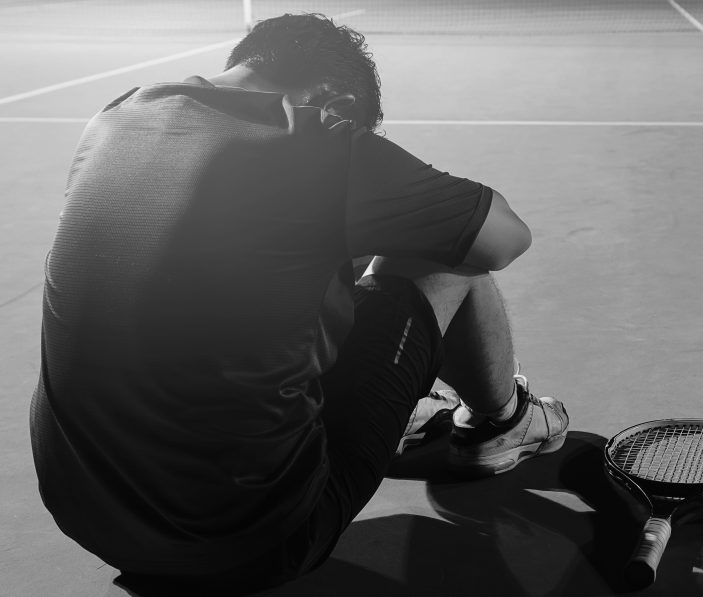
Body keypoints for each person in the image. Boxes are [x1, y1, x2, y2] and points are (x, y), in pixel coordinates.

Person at [29, 13, 568, 596]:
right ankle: (504, 424)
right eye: (354, 121)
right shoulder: (317, 142)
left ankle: (368, 398)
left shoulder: (118, 116)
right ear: (332, 97)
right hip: (253, 543)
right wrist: (370, 182)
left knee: (274, 267)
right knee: (449, 257)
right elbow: (506, 239)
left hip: (90, 518)